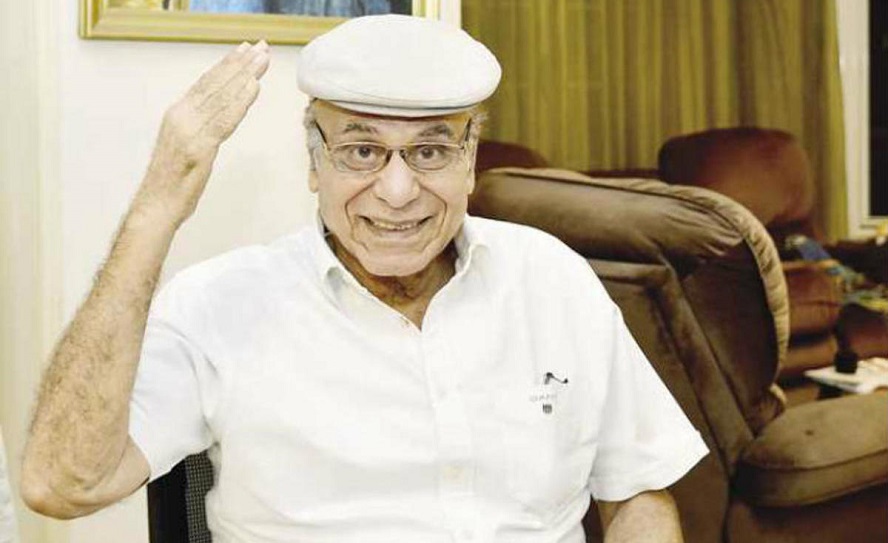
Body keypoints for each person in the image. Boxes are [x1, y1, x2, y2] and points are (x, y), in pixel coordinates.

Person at [21, 14, 707, 542]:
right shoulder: (219, 302)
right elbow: (60, 482)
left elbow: (637, 490)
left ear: (470, 161)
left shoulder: (552, 279)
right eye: (361, 151)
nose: (398, 191)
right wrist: (157, 207)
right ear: (313, 162)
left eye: (431, 150)